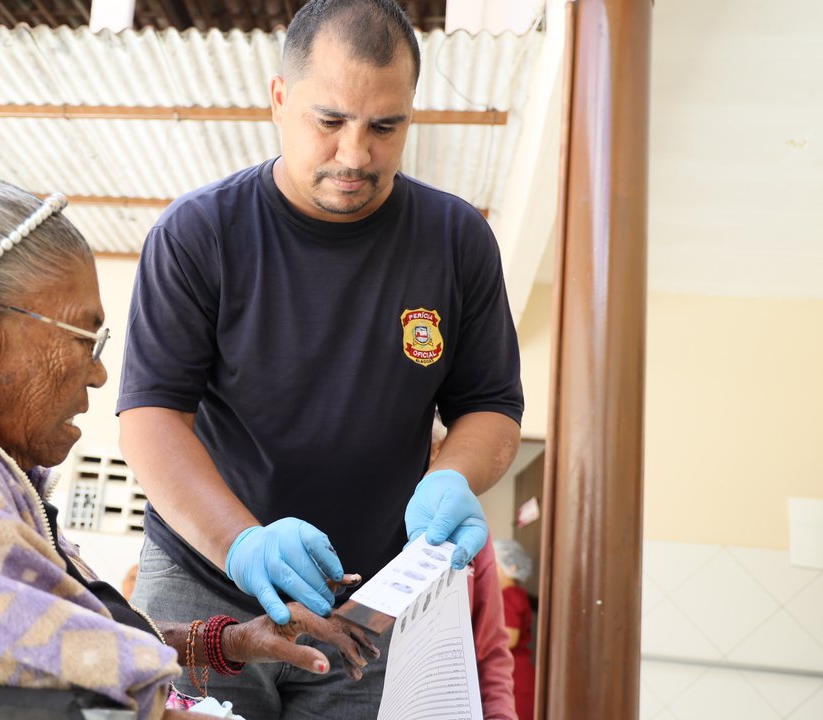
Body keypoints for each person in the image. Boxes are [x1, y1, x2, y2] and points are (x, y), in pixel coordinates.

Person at [0, 158, 378, 720]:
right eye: (82, 338)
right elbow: (61, 675)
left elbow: (64, 633)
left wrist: (229, 642)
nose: (98, 373)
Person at [116, 0, 524, 716]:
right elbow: (150, 418)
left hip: (370, 602)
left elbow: (489, 406)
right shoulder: (198, 234)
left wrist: (454, 476)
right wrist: (241, 543)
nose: (356, 155)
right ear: (280, 99)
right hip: (200, 581)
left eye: (385, 127)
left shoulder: (457, 241)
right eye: (330, 121)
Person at [494, 539, 537, 720]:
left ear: (511, 568)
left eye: (495, 565)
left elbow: (510, 639)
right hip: (519, 673)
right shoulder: (517, 594)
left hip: (514, 675)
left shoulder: (508, 596)